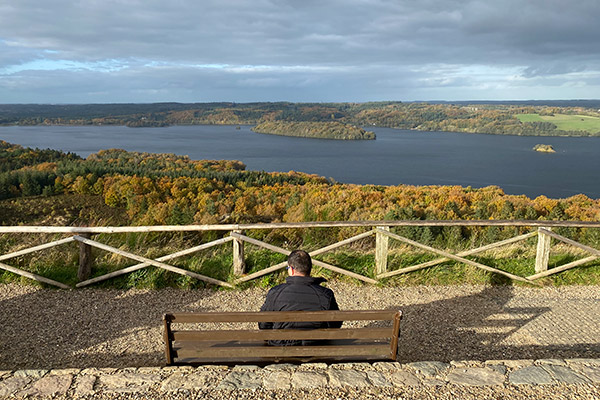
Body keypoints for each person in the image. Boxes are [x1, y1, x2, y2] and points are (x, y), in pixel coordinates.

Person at [259, 249, 342, 346]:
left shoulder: (275, 292)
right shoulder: (325, 294)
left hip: (281, 346)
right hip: (315, 346)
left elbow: (263, 325)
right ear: (309, 269)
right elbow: (335, 324)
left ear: (292, 269)